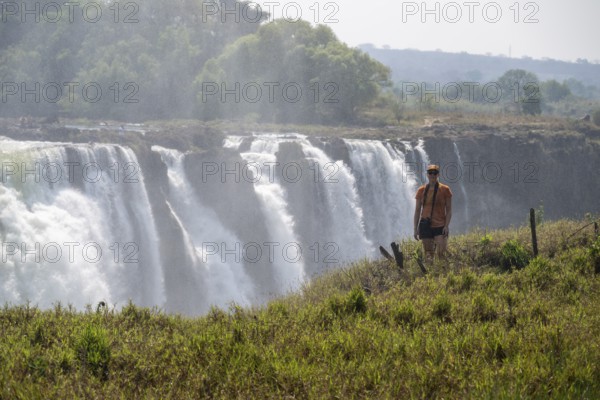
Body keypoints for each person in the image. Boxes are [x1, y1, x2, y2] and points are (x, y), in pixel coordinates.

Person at [413, 164, 453, 262]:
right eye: (430, 173)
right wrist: (415, 228)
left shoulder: (445, 189)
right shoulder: (421, 190)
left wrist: (446, 226)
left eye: (435, 173)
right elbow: (417, 210)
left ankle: (443, 274)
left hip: (440, 225)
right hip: (425, 225)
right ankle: (431, 275)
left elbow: (449, 210)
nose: (432, 175)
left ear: (438, 174)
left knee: (441, 253)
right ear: (427, 175)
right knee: (428, 254)